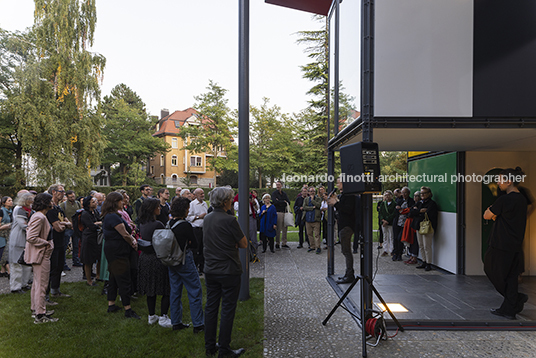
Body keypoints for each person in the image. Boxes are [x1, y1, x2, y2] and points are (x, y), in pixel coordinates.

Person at [203, 186, 247, 357]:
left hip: (210, 269)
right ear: (224, 201)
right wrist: (232, 243)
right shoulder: (229, 220)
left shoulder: (207, 218)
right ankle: (224, 349)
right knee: (228, 309)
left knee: (211, 307)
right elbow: (243, 243)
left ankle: (209, 346)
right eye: (230, 198)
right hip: (228, 270)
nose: (232, 201)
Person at [483, 167, 528, 319]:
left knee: (492, 270)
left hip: (500, 243)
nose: (498, 182)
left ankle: (514, 299)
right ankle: (509, 308)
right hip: (515, 244)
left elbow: (487, 215)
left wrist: (494, 212)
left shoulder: (504, 199)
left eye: (500, 179)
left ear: (509, 182)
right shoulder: (522, 199)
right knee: (510, 276)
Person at [168, 197, 204, 332]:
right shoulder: (185, 225)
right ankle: (198, 324)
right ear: (184, 210)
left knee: (175, 291)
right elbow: (194, 244)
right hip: (184, 259)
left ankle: (176, 322)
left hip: (171, 260)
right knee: (194, 290)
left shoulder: (169, 223)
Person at [102, 192, 140, 319]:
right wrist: (133, 242)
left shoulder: (111, 215)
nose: (123, 202)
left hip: (114, 249)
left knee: (113, 277)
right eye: (120, 201)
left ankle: (111, 304)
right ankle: (128, 309)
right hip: (118, 250)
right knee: (124, 278)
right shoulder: (113, 217)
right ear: (115, 202)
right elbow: (124, 234)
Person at [137, 197, 172, 328]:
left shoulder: (142, 223)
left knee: (150, 289)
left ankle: (151, 315)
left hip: (145, 258)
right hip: (156, 258)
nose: (160, 209)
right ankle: (163, 316)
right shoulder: (158, 225)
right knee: (165, 288)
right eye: (158, 207)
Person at [26, 193, 57, 323]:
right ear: (45, 202)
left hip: (41, 254)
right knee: (42, 284)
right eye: (50, 200)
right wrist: (46, 243)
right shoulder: (39, 217)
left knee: (37, 283)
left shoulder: (39, 215)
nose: (53, 202)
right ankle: (40, 314)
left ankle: (36, 309)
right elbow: (31, 237)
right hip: (41, 255)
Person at [328, 178, 356, 283]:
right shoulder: (345, 195)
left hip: (347, 226)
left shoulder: (349, 195)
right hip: (344, 226)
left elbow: (347, 210)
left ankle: (350, 275)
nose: (337, 184)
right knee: (346, 251)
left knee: (346, 251)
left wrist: (335, 203)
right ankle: (348, 273)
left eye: (338, 182)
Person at [46, 184, 72, 298]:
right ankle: (45, 296)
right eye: (61, 191)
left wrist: (63, 224)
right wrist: (64, 224)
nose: (63, 193)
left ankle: (55, 291)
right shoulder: (50, 208)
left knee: (59, 266)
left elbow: (70, 224)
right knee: (51, 268)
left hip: (61, 242)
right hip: (52, 242)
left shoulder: (59, 207)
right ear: (53, 192)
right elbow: (58, 228)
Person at [9, 192, 34, 293]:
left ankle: (24, 283)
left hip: (26, 239)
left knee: (27, 264)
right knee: (16, 264)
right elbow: (23, 225)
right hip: (18, 238)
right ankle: (15, 287)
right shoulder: (19, 210)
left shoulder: (30, 210)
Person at [411, 186, 438, 271]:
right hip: (419, 227)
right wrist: (419, 211)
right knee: (421, 245)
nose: (422, 195)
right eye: (421, 193)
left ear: (429, 194)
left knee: (427, 246)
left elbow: (429, 214)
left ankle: (429, 263)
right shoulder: (419, 203)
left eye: (424, 193)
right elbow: (411, 212)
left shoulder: (432, 204)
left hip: (427, 227)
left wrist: (417, 212)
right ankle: (424, 261)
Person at [79, 195, 102, 286]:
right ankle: (89, 280)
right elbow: (91, 226)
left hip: (96, 237)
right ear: (88, 204)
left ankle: (98, 275)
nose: (96, 203)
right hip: (88, 238)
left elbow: (99, 221)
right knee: (88, 260)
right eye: (93, 202)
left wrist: (97, 223)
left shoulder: (95, 211)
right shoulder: (85, 214)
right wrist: (97, 224)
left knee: (98, 257)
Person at [187, 188, 208, 274]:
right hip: (196, 229)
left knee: (203, 249)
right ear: (195, 195)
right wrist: (198, 217)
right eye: (200, 194)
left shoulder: (205, 204)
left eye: (203, 193)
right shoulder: (192, 204)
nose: (202, 195)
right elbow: (188, 217)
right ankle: (195, 267)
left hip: (204, 229)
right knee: (196, 249)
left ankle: (202, 267)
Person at [60, 190, 82, 268]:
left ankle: (76, 260)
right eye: (71, 197)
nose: (73, 198)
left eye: (73, 196)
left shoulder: (78, 203)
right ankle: (63, 263)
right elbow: (61, 215)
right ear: (67, 197)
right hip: (68, 228)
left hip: (76, 227)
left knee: (76, 245)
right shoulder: (63, 205)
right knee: (65, 245)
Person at [392, 187, 414, 262]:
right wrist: (402, 210)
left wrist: (402, 210)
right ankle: (395, 253)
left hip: (405, 223)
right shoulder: (399, 200)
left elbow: (410, 211)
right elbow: (396, 210)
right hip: (397, 222)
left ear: (408, 193)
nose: (404, 194)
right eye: (402, 192)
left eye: (405, 193)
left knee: (400, 238)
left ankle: (399, 254)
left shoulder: (411, 201)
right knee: (395, 238)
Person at [271, 181, 290, 249]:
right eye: (277, 185)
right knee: (278, 228)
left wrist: (280, 201)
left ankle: (284, 242)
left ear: (281, 185)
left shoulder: (284, 194)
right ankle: (277, 243)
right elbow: (274, 202)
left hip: (284, 212)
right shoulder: (274, 193)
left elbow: (288, 202)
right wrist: (283, 202)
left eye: (279, 185)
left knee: (285, 228)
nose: (277, 186)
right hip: (278, 212)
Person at [303, 187, 322, 254]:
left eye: (313, 191)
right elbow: (304, 207)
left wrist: (313, 200)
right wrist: (312, 208)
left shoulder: (318, 199)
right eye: (311, 191)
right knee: (309, 234)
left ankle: (318, 247)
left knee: (317, 234)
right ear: (308, 192)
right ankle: (312, 246)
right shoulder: (306, 199)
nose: (312, 192)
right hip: (308, 219)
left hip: (316, 219)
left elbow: (319, 205)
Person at [378, 191, 396, 257]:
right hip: (384, 223)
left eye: (388, 195)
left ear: (391, 195)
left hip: (390, 223)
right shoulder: (383, 204)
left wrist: (387, 220)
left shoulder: (394, 204)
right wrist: (383, 220)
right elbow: (380, 213)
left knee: (391, 236)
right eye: (386, 195)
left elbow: (393, 213)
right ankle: (385, 250)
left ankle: (391, 250)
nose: (387, 196)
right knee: (385, 236)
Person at [0, 196, 13, 279]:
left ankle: (2, 271)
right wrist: (8, 225)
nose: (11, 202)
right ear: (4, 202)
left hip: (8, 234)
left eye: (11, 200)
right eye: (9, 200)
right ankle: (9, 272)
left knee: (6, 251)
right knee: (4, 252)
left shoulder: (11, 211)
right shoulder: (1, 211)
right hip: (1, 235)